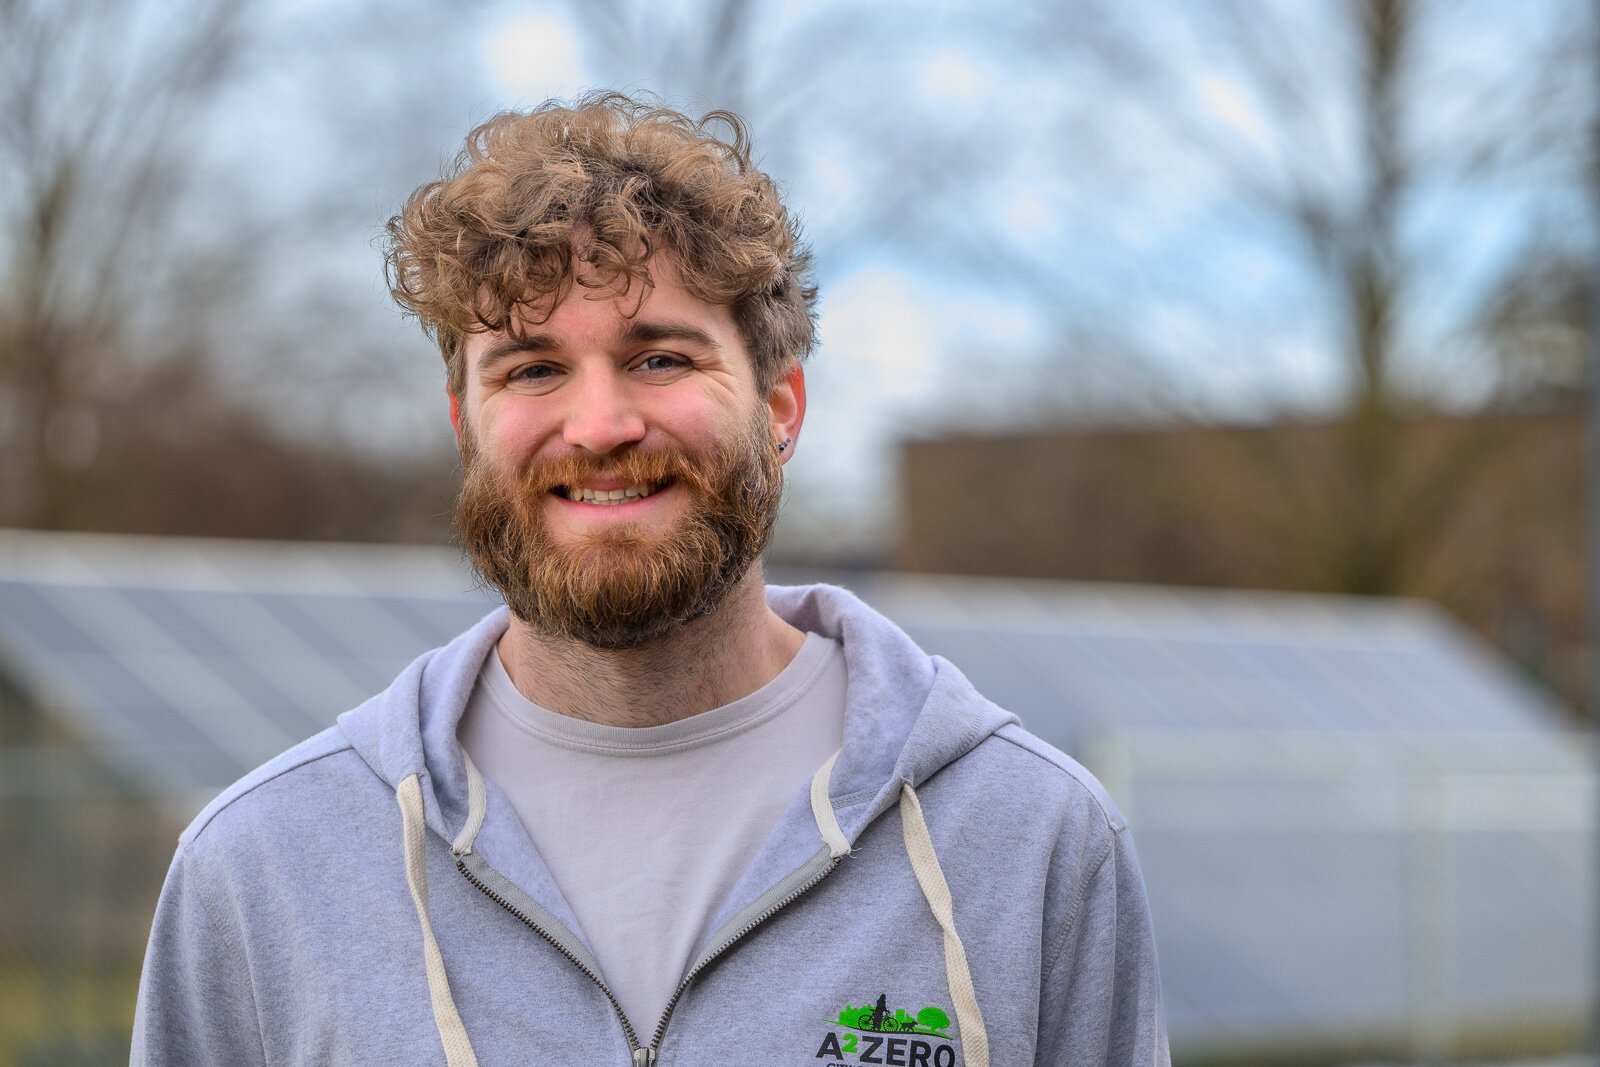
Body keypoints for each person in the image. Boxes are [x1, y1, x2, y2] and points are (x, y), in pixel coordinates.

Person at [131, 91, 1169, 1067]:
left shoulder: (1030, 837)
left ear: (781, 406)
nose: (599, 425)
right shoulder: (260, 869)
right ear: (466, 428)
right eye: (532, 368)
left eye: (661, 357)